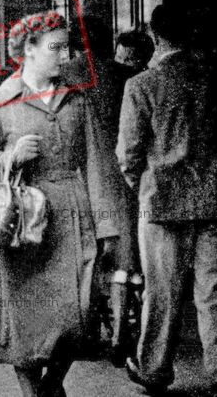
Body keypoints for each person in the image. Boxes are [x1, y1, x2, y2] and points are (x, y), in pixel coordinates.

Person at [0, 11, 120, 397]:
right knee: (26, 319)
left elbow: (99, 162)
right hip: (21, 221)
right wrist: (11, 157)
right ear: (28, 50)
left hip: (73, 213)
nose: (65, 55)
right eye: (56, 47)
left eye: (67, 46)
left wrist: (108, 227)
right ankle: (36, 392)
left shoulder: (77, 98)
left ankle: (50, 387)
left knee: (78, 314)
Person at [117, 5, 217, 396]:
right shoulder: (215, 80)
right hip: (213, 202)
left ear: (155, 35)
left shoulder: (142, 85)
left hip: (161, 206)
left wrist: (144, 186)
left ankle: (154, 371)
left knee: (161, 293)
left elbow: (128, 153)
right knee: (213, 295)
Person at [64, 18, 154, 365]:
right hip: (117, 181)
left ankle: (85, 333)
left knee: (84, 258)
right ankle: (119, 334)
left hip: (76, 177)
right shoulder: (125, 77)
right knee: (122, 262)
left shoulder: (64, 74)